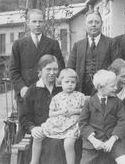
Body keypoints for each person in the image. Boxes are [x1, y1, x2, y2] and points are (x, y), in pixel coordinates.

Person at [9, 9, 65, 141]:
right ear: (28, 23)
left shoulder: (52, 43)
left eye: (40, 21)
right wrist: (22, 88)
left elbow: (61, 68)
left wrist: (55, 82)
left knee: (48, 129)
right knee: (26, 129)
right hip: (25, 92)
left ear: (44, 23)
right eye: (34, 21)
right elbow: (13, 71)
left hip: (47, 93)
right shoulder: (18, 44)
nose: (37, 24)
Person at [30, 68, 85, 164]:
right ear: (60, 82)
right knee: (37, 137)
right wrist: (60, 112)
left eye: (73, 82)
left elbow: (86, 111)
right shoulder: (57, 97)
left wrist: (74, 111)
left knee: (68, 144)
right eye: (67, 82)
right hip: (57, 123)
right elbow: (51, 114)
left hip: (72, 125)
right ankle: (34, 161)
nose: (70, 84)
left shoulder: (80, 96)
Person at [19, 54, 66, 163]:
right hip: (40, 133)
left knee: (60, 145)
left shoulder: (62, 88)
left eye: (55, 69)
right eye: (48, 69)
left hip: (60, 131)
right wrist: (32, 128)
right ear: (40, 70)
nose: (52, 73)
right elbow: (24, 117)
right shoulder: (33, 90)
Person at [79, 70, 125, 164]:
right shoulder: (89, 102)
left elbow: (121, 122)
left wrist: (112, 140)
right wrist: (93, 140)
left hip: (113, 141)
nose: (115, 88)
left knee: (124, 162)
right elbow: (82, 123)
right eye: (112, 86)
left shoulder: (117, 102)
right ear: (101, 87)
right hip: (92, 143)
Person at [67, 10, 117, 96]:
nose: (93, 25)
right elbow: (70, 69)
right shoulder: (77, 46)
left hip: (104, 90)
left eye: (97, 22)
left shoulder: (111, 43)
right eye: (90, 22)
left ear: (102, 23)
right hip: (82, 90)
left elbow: (115, 69)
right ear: (85, 25)